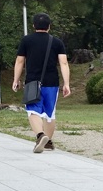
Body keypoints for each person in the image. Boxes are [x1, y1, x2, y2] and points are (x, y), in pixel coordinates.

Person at [12, 12, 71, 153]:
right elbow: (63, 63)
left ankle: (40, 135)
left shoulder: (27, 41)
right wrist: (66, 83)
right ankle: (48, 142)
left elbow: (20, 61)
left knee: (33, 111)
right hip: (52, 82)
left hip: (33, 81)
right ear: (49, 26)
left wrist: (16, 80)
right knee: (50, 114)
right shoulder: (57, 42)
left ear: (33, 26)